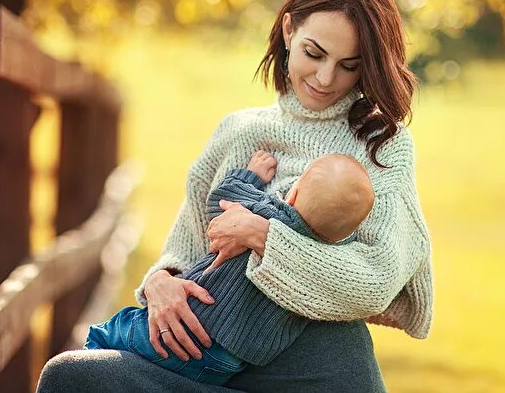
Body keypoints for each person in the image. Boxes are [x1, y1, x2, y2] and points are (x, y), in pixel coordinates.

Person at [37, 0, 433, 393]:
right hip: (205, 353)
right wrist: (160, 283)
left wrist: (264, 236)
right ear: (287, 32)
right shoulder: (238, 132)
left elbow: (376, 281)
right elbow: (187, 244)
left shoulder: (380, 144)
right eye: (314, 54)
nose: (325, 78)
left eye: (348, 66)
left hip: (316, 370)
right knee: (69, 376)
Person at [81, 150, 375, 385]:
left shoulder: (265, 212)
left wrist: (250, 176)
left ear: (293, 195)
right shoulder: (322, 263)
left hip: (185, 327)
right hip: (228, 362)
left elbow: (220, 200)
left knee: (101, 341)